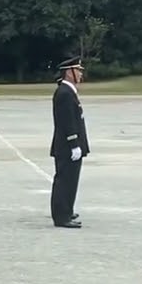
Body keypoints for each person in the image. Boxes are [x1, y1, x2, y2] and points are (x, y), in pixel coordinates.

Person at [50, 56, 90, 229]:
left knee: (71, 179)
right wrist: (74, 143)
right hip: (67, 145)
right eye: (78, 70)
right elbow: (67, 121)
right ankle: (61, 215)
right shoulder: (65, 93)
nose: (81, 74)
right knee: (65, 180)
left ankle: (67, 209)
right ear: (69, 72)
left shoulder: (68, 91)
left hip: (69, 144)